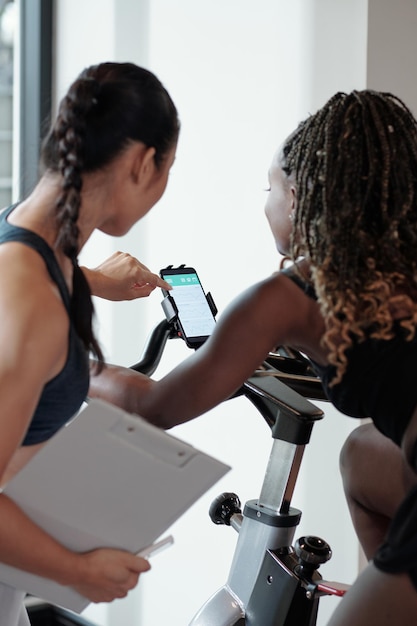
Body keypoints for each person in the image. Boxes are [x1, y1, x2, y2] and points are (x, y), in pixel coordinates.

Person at [90, 89, 417, 625]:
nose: (265, 201)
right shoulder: (387, 275)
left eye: (269, 187)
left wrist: (67, 362)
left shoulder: (290, 295)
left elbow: (153, 407)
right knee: (360, 455)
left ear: (297, 198)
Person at [0, 60, 179, 626]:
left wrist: (95, 280)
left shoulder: (28, 241)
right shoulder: (30, 302)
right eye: (168, 168)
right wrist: (76, 571)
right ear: (143, 162)